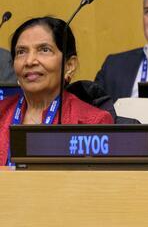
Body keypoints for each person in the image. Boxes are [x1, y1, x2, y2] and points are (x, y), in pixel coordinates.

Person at [0, 17, 113, 165]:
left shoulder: (93, 121)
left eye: (44, 50)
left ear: (69, 65)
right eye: (21, 52)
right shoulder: (2, 111)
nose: (29, 61)